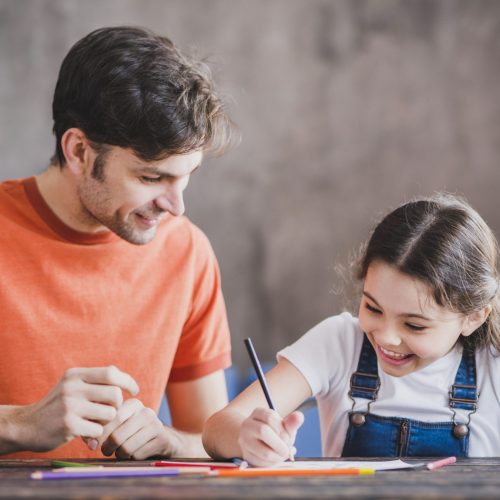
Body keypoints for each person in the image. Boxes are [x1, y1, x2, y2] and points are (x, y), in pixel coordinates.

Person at [0, 26, 238, 459]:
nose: (176, 207)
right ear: (78, 152)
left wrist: (170, 441)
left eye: (185, 178)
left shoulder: (187, 251)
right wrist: (19, 424)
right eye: (151, 178)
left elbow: (209, 441)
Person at [203, 194, 500, 465]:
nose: (386, 336)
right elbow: (217, 428)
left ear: (473, 317)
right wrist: (247, 436)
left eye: (414, 325)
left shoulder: (492, 364)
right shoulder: (339, 342)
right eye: (373, 308)